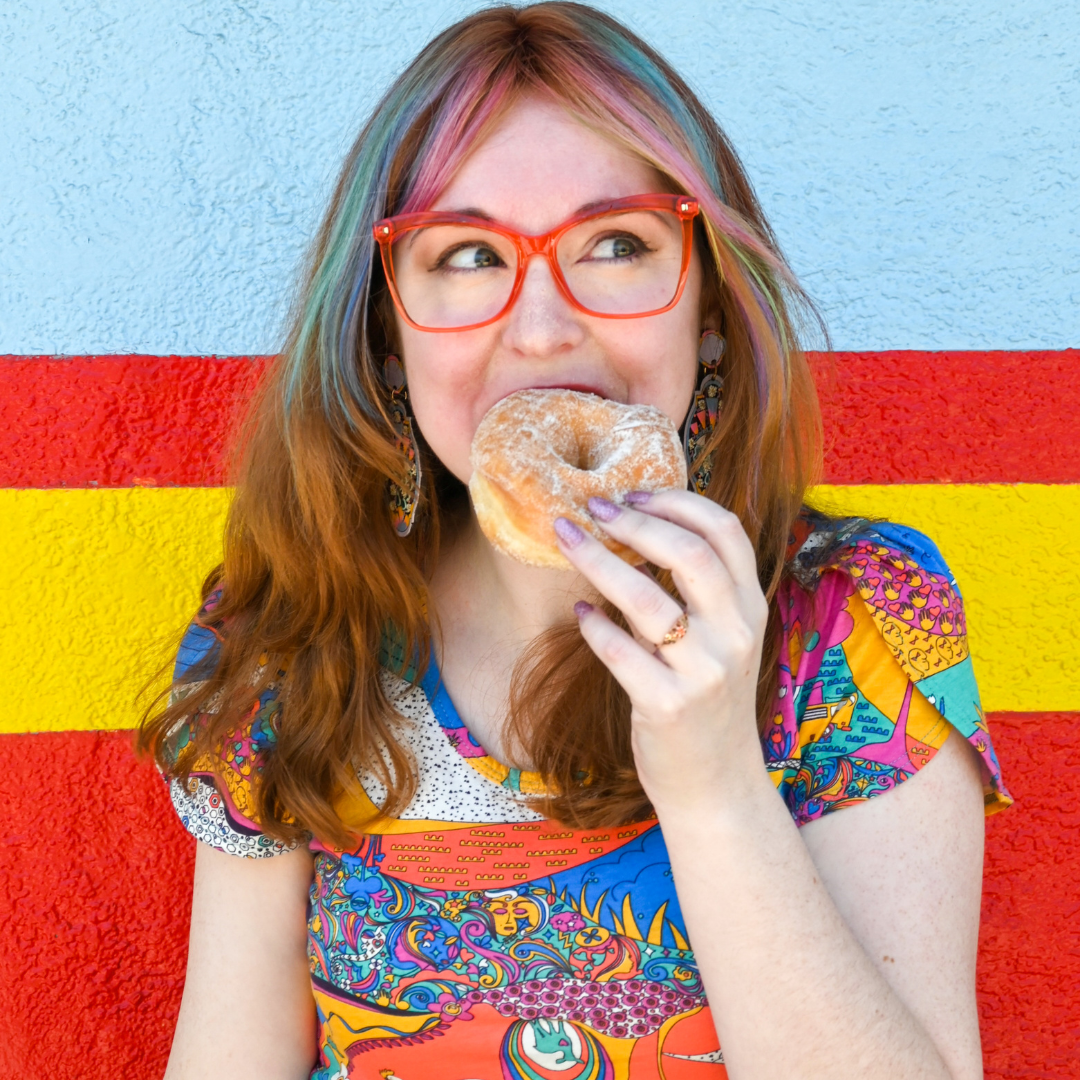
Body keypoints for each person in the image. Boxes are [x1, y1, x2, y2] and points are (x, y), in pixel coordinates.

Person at [141, 5, 1011, 1079]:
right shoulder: (288, 633)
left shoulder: (851, 619)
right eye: (465, 255)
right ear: (385, 326)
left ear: (703, 305)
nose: (544, 325)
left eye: (616, 243)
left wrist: (713, 784)